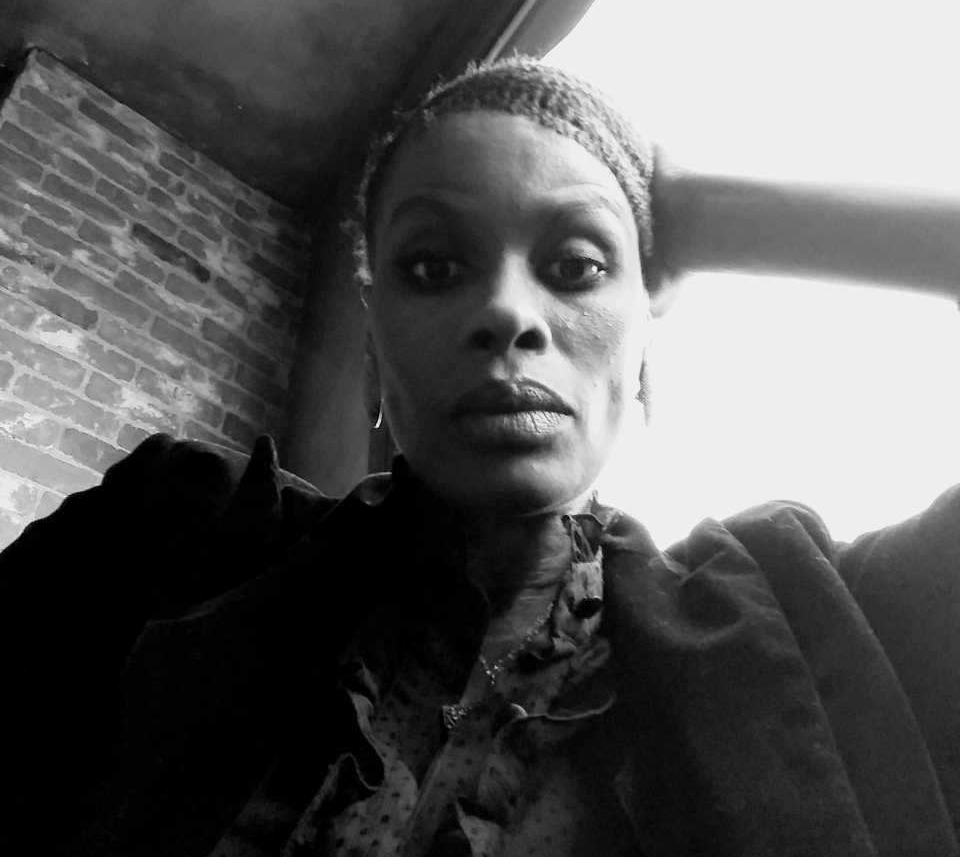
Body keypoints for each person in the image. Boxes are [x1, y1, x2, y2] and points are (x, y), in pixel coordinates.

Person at [1, 56, 960, 857]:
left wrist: (721, 214)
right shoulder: (172, 534)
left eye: (577, 266)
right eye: (433, 266)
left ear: (644, 335)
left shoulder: (816, 625)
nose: (506, 311)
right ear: (375, 339)